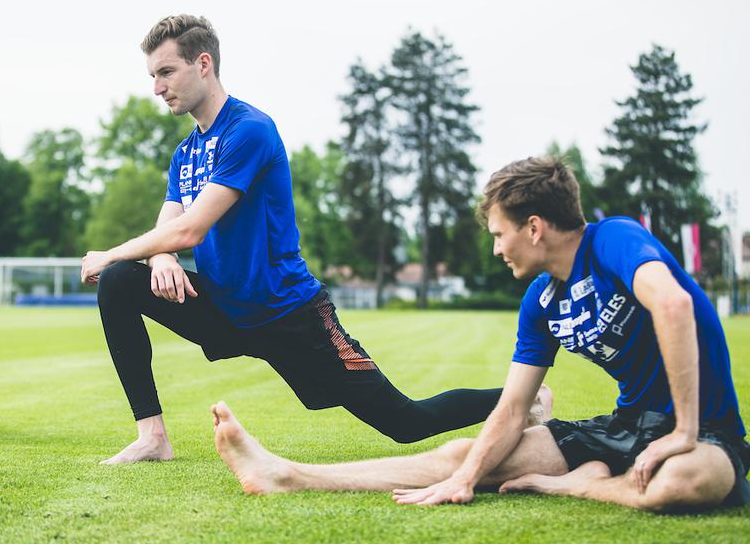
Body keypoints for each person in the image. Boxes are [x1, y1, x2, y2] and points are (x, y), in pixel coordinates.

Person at [81, 14, 541, 465]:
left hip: (289, 313)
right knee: (121, 281)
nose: (157, 88)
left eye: (166, 72)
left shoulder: (249, 130)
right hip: (224, 306)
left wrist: (114, 252)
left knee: (405, 422)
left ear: (203, 64)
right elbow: (169, 229)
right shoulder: (184, 153)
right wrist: (160, 256)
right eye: (152, 76)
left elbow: (190, 229)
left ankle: (528, 401)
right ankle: (152, 437)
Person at [210, 156, 750, 513]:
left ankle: (582, 483)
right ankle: (287, 475)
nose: (497, 248)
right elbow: (514, 409)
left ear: (534, 227)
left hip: (705, 433)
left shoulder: (612, 240)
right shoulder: (540, 302)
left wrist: (683, 431)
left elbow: (674, 304)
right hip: (623, 428)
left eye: (500, 234)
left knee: (682, 483)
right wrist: (467, 476)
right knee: (465, 455)